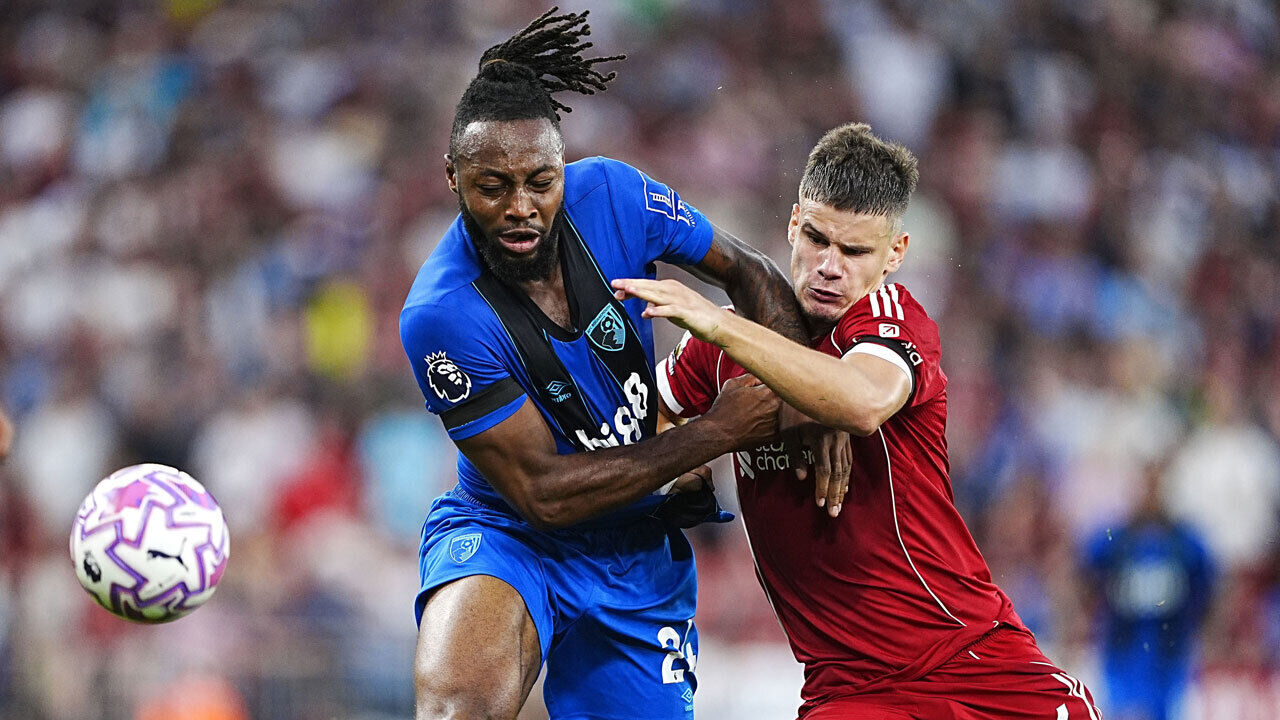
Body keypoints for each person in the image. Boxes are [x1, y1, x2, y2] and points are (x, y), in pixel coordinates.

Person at [398, 8, 819, 720]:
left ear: (563, 168)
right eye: (492, 186)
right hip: (510, 534)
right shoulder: (441, 315)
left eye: (541, 180)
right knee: (455, 711)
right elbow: (542, 494)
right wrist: (713, 434)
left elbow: (755, 277)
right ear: (453, 179)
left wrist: (812, 407)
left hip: (633, 546)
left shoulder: (616, 195)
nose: (522, 208)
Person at [615, 122, 1104, 719]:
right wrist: (690, 464)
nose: (828, 266)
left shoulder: (892, 320)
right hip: (848, 689)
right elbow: (645, 422)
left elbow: (862, 399)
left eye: (854, 251)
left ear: (894, 254)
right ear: (793, 223)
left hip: (970, 658)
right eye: (817, 239)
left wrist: (722, 327)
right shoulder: (719, 350)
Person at [1082, 463, 1213, 720]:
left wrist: (1202, 626)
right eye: (1146, 487)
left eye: (1157, 486)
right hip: (1122, 651)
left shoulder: (1184, 542)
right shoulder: (1117, 539)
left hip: (1169, 653)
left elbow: (1207, 584)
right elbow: (1085, 571)